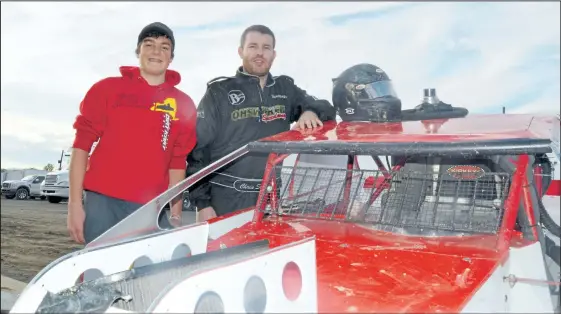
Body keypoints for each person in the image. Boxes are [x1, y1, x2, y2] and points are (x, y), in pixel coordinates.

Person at [186, 24, 336, 221]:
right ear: (241, 51)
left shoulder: (285, 88)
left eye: (266, 48)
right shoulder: (219, 92)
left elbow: (327, 108)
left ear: (273, 54)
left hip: (270, 198)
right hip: (224, 198)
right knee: (229, 252)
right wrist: (203, 204)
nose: (260, 53)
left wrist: (310, 110)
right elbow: (197, 150)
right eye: (253, 46)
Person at [67, 22, 198, 244]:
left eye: (164, 47)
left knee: (146, 274)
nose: (156, 51)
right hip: (102, 204)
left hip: (150, 208)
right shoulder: (107, 90)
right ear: (138, 51)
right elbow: (81, 146)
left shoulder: (183, 104)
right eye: (149, 44)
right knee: (98, 274)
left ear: (171, 57)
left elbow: (177, 162)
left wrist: (175, 214)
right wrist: (74, 205)